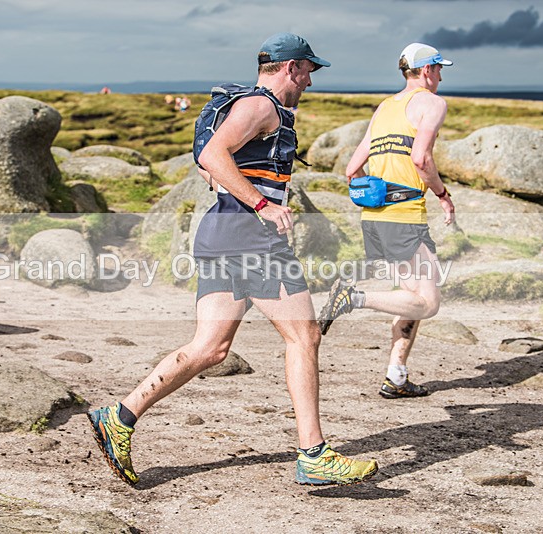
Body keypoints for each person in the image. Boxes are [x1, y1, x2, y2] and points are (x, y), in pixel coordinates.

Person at [89, 32, 378, 487]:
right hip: (252, 239)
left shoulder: (263, 110)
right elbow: (210, 154)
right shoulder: (260, 107)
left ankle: (119, 416)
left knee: (210, 348)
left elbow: (212, 166)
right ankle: (314, 453)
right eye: (307, 71)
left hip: (224, 234)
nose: (309, 81)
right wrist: (262, 205)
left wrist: (242, 191)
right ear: (290, 68)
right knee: (304, 337)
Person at [317, 42, 456, 399]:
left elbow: (352, 169)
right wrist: (442, 195)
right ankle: (353, 297)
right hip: (405, 217)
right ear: (427, 70)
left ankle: (396, 375)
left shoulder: (384, 108)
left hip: (374, 219)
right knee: (429, 302)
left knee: (410, 297)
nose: (440, 76)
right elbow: (422, 158)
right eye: (439, 69)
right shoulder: (433, 103)